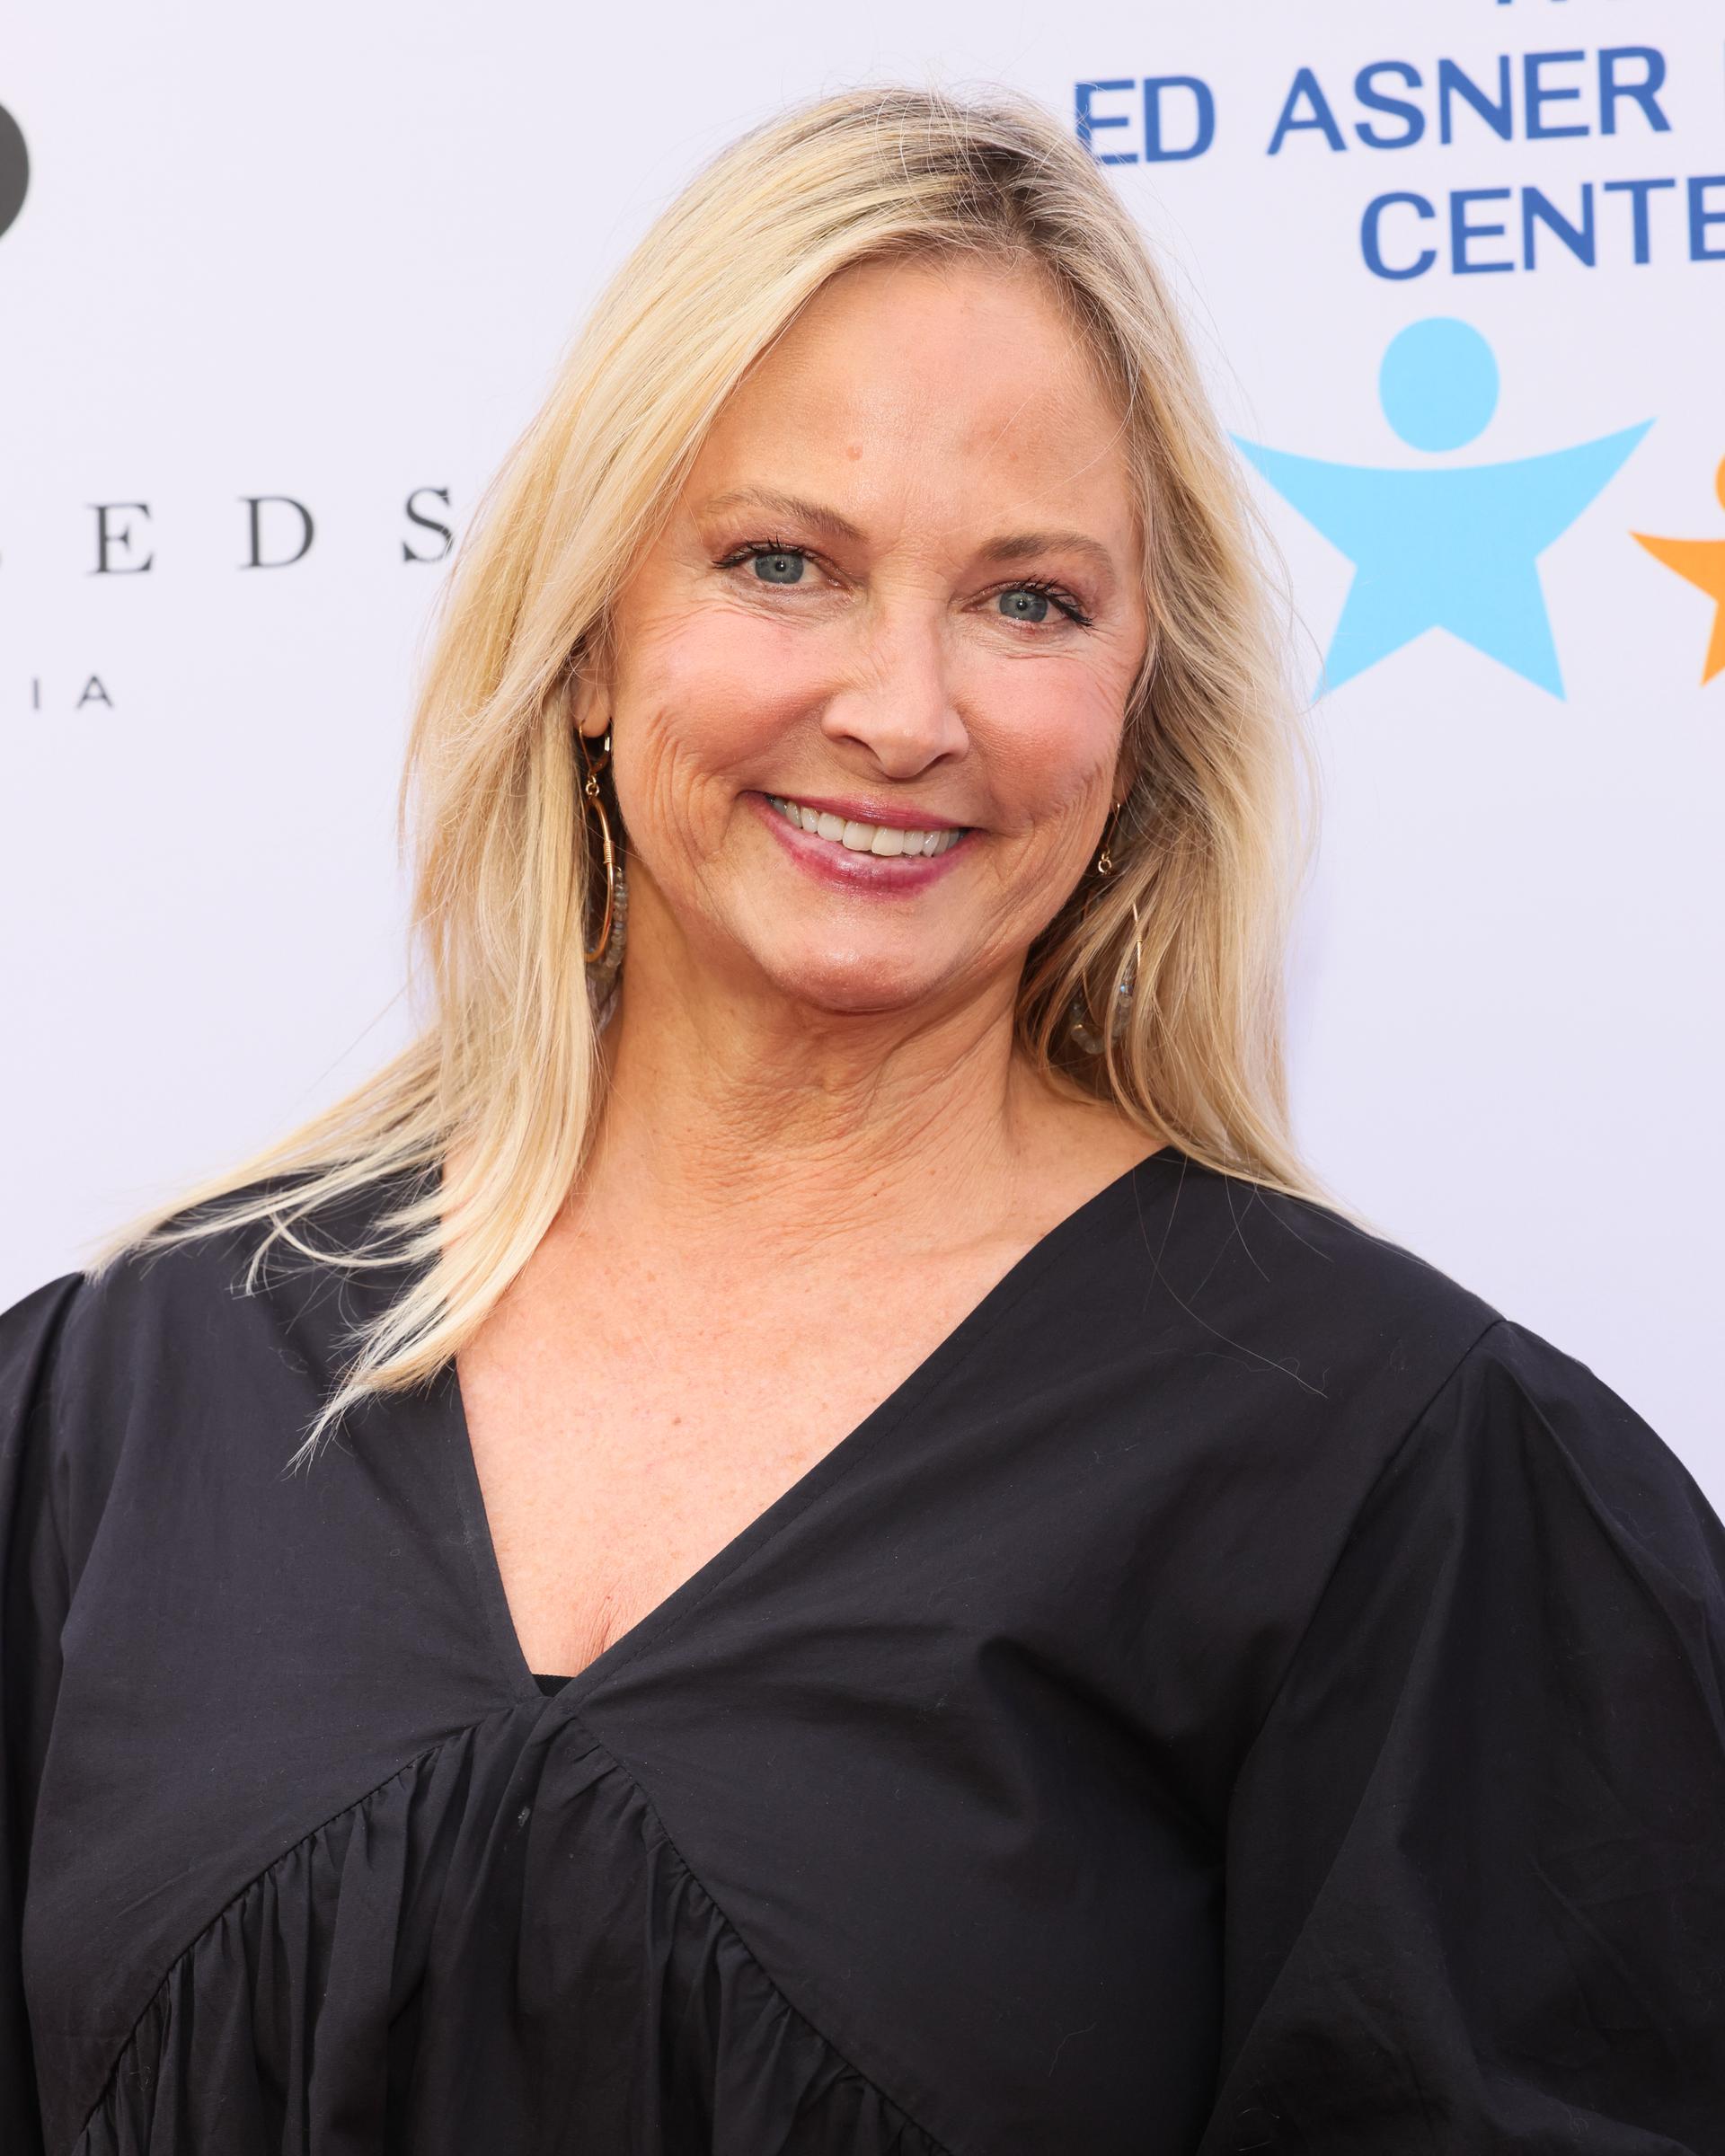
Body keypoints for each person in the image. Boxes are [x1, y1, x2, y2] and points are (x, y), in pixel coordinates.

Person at [3, 82, 1721, 2156]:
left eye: (1030, 601)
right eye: (784, 563)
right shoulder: (128, 1400)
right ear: (589, 647)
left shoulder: (1401, 1476)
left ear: (1136, 708)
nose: (908, 711)